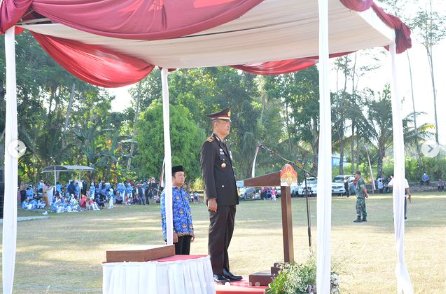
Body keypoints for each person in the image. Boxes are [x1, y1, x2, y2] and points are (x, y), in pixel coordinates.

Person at [200, 107, 242, 283]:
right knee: (217, 235)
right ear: (216, 124)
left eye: (229, 122)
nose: (229, 125)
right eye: (226, 122)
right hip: (218, 198)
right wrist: (211, 197)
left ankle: (224, 269)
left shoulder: (223, 145)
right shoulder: (209, 145)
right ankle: (215, 270)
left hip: (229, 198)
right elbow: (207, 173)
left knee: (226, 234)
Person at [160, 165, 195, 255]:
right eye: (180, 175)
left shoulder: (183, 192)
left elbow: (188, 212)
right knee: (175, 260)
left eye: (183, 175)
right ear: (172, 177)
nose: (182, 178)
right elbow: (165, 213)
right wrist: (171, 232)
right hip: (175, 233)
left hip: (186, 232)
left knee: (185, 260)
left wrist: (191, 230)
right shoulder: (167, 192)